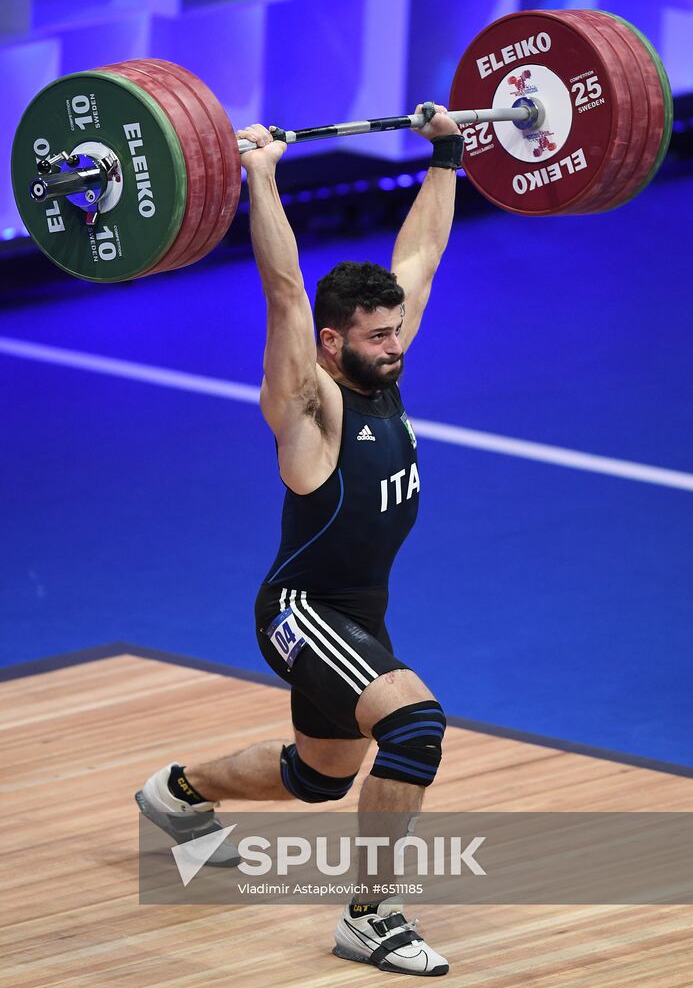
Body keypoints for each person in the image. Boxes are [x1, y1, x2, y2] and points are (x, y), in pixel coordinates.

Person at [136, 103, 463, 977]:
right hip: (300, 610)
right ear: (332, 343)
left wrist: (445, 153)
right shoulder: (306, 409)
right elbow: (283, 292)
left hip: (359, 609)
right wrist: (262, 174)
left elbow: (420, 259)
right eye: (377, 336)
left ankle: (176, 795)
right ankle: (372, 915)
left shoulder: (383, 364)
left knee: (319, 775)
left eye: (395, 331)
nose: (396, 346)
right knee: (414, 727)